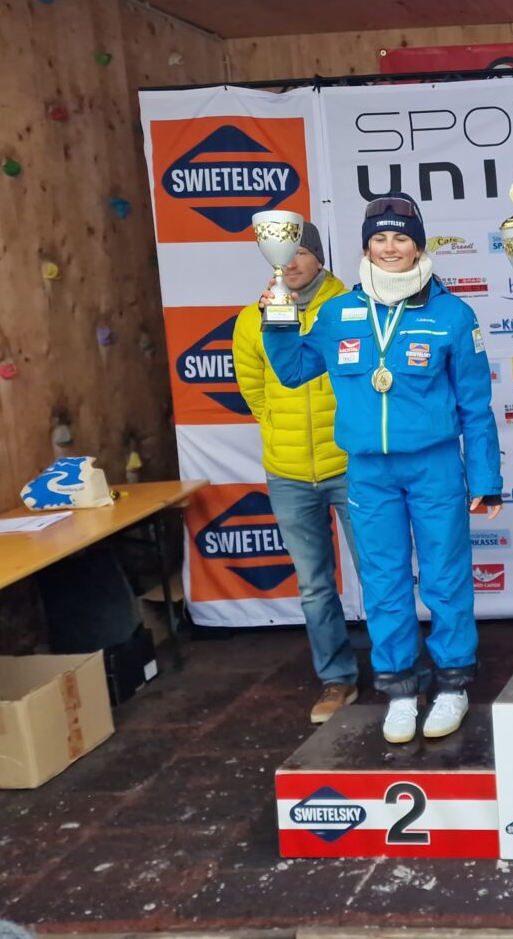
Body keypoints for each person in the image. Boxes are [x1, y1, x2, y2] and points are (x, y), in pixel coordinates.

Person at [263, 192, 503, 744]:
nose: (390, 247)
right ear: (366, 247)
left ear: (418, 245)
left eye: (400, 238)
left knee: (445, 576)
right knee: (383, 580)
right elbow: (295, 370)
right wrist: (277, 321)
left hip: (434, 466)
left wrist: (486, 480)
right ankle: (398, 688)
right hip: (368, 472)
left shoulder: (451, 314)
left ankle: (452, 683)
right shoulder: (337, 312)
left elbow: (475, 406)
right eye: (379, 238)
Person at [233, 223, 361, 724]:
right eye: (283, 254)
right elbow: (253, 389)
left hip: (350, 465)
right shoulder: (252, 318)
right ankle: (337, 679)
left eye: (301, 252)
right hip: (287, 473)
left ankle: (400, 674)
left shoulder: (349, 307)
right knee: (314, 586)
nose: (291, 262)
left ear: (319, 258)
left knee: (379, 575)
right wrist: (275, 427)